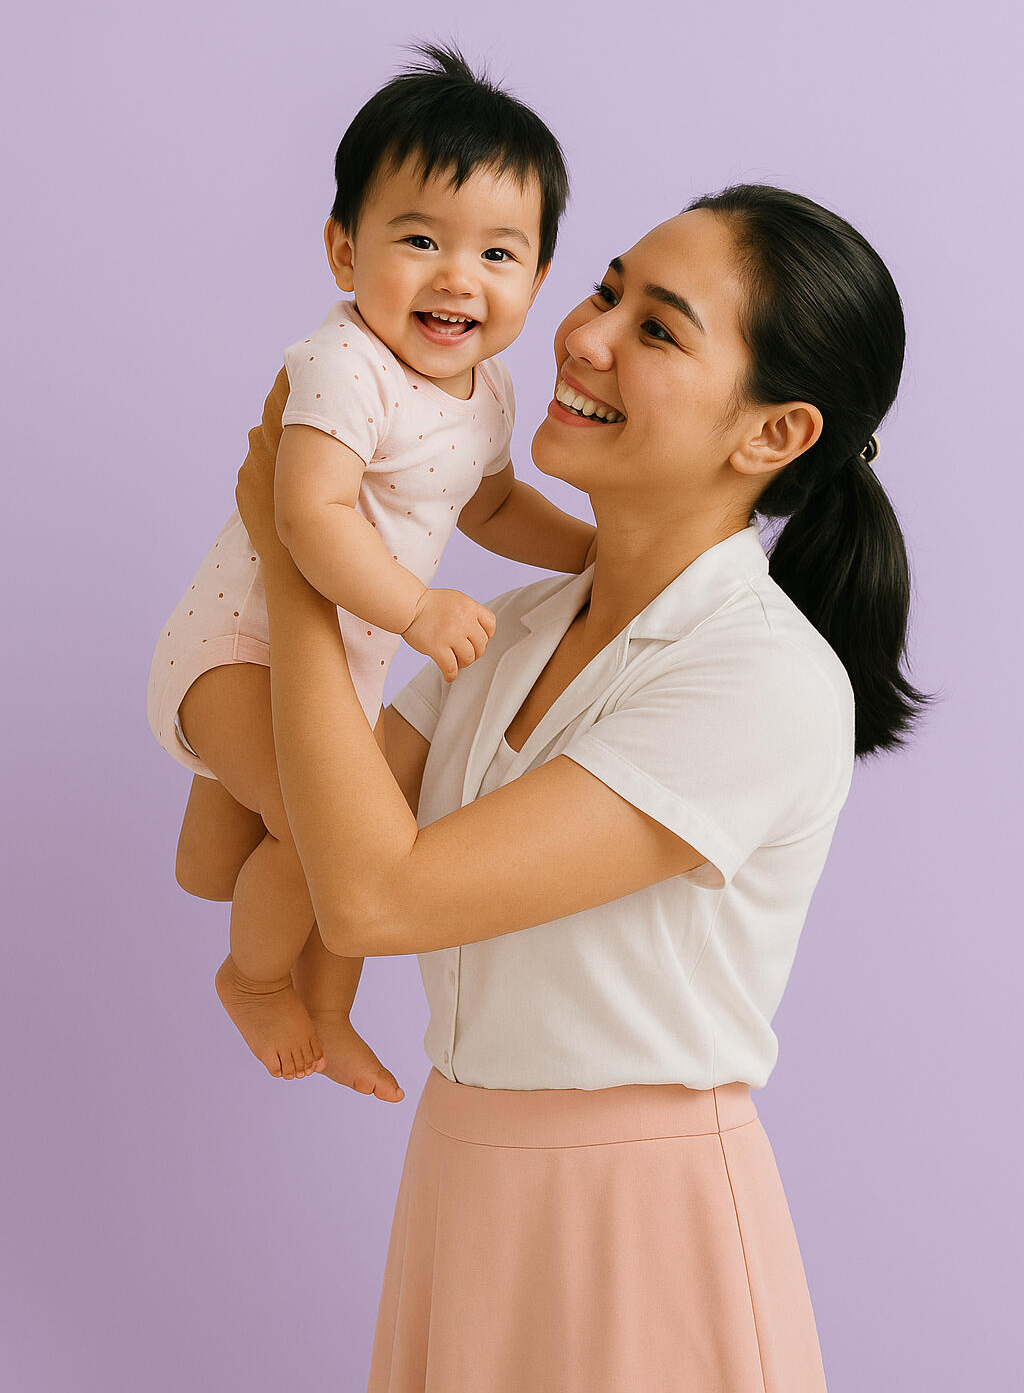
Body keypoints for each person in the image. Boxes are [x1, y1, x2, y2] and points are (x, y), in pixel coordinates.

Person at [234, 183, 926, 1390]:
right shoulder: (506, 627)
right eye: (606, 289)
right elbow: (316, 827)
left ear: (773, 434)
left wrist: (302, 551)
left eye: (656, 328)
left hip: (639, 1229)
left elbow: (374, 898)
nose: (585, 336)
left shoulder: (759, 681)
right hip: (458, 1179)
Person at [146, 46, 596, 1092]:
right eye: (421, 239)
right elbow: (304, 516)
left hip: (336, 659)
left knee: (261, 852)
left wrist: (589, 549)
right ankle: (256, 980)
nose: (457, 277)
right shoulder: (342, 365)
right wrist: (417, 608)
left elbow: (489, 504)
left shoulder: (487, 389)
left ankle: (323, 999)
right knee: (324, 841)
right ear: (345, 252)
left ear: (535, 280)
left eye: (498, 254)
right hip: (245, 642)